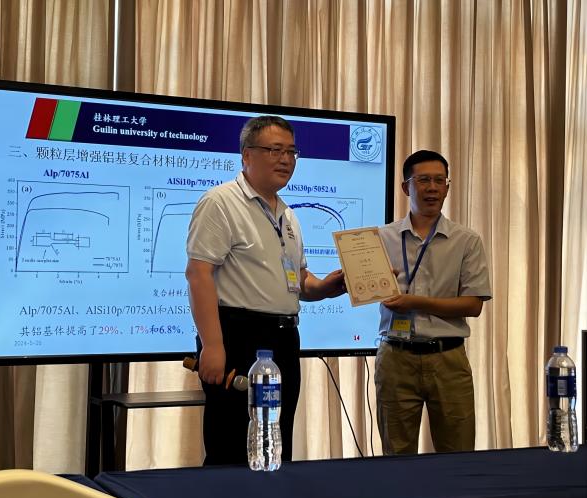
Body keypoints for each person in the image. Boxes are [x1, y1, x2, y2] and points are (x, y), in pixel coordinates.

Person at [185, 115, 346, 465]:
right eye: (275, 150)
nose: (285, 160)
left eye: (291, 152)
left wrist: (327, 287)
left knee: (275, 444)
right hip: (237, 337)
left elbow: (298, 280)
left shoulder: (288, 215)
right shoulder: (221, 202)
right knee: (231, 446)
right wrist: (213, 345)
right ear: (247, 155)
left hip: (284, 340)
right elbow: (198, 274)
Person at [375, 149, 492, 455]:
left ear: (447, 188)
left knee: (458, 454)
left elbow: (473, 305)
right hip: (396, 357)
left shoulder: (466, 240)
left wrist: (415, 302)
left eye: (440, 181)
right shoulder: (380, 238)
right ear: (406, 187)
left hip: (448, 358)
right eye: (424, 180)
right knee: (396, 456)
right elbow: (364, 288)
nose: (432, 188)